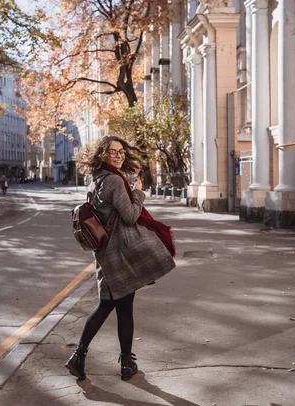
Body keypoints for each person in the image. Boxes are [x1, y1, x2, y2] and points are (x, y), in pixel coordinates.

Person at [66, 135, 176, 381]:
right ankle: (81, 357)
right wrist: (138, 194)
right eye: (112, 152)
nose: (118, 156)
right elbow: (129, 216)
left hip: (106, 252)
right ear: (102, 154)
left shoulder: (96, 180)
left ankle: (124, 361)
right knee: (109, 305)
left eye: (121, 152)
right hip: (119, 253)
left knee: (122, 307)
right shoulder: (115, 181)